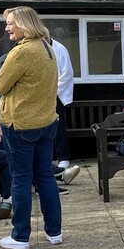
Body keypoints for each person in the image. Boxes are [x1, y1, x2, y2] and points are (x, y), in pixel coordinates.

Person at [0, 6, 62, 249]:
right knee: (45, 177)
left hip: (21, 124)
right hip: (45, 122)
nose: (7, 27)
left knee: (20, 180)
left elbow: (1, 84)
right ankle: (54, 232)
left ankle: (20, 236)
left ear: (23, 24)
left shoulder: (21, 52)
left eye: (11, 23)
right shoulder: (48, 48)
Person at [50, 36, 76, 172]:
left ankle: (63, 158)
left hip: (57, 95)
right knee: (46, 128)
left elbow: (67, 73)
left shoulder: (60, 49)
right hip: (43, 96)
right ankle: (51, 158)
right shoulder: (39, 49)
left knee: (59, 127)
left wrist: (53, 91)